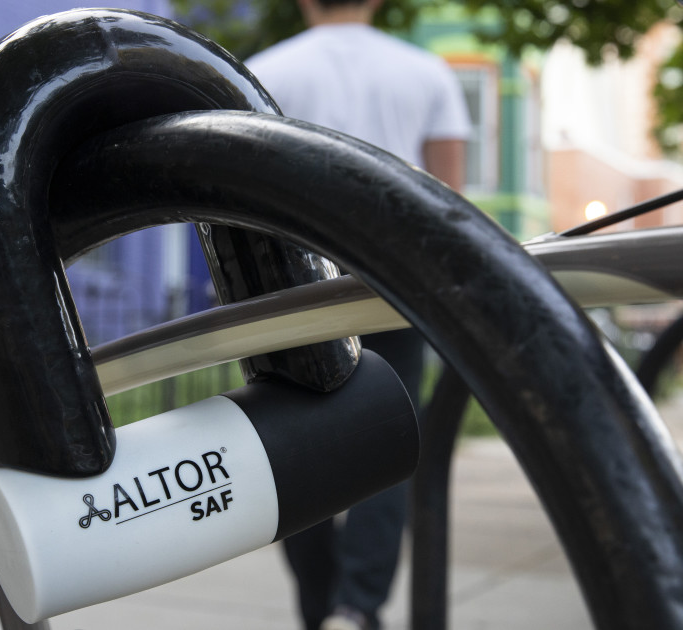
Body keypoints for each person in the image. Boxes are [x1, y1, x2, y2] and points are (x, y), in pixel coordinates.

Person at [245, 3, 471, 630]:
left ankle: (320, 608)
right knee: (389, 442)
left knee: (296, 447)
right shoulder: (427, 73)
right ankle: (358, 605)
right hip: (392, 281)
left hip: (294, 288)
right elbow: (445, 201)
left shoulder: (260, 73)